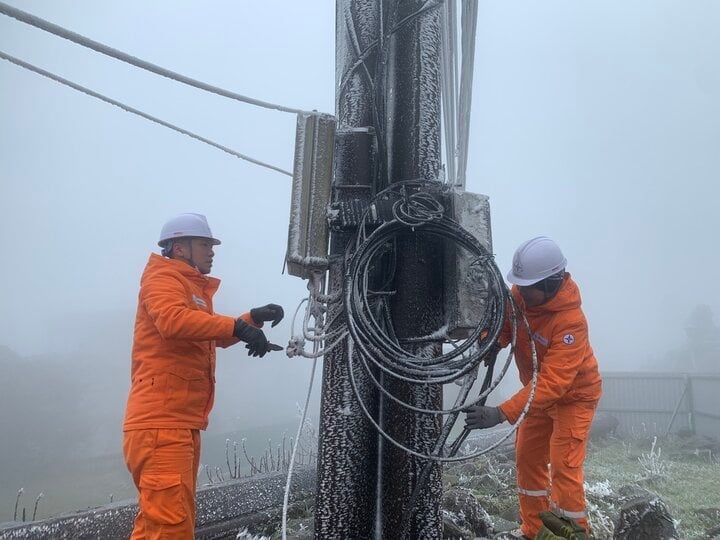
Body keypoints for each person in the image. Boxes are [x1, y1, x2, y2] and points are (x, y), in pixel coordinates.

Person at [122, 213, 285, 539]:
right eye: (205, 245)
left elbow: (207, 332)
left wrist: (251, 319)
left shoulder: (188, 286)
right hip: (162, 424)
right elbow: (173, 321)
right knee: (170, 527)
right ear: (180, 247)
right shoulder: (163, 279)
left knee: (162, 523)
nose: (212, 252)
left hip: (176, 422)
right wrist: (236, 326)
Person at [465, 236, 602, 539]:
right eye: (520, 287)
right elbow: (506, 324)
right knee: (528, 460)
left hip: (573, 398)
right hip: (536, 396)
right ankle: (535, 531)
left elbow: (554, 382)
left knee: (564, 469)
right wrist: (492, 341)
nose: (521, 293)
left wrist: (501, 413)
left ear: (551, 284)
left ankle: (572, 536)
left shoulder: (570, 322)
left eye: (528, 288)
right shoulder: (521, 295)